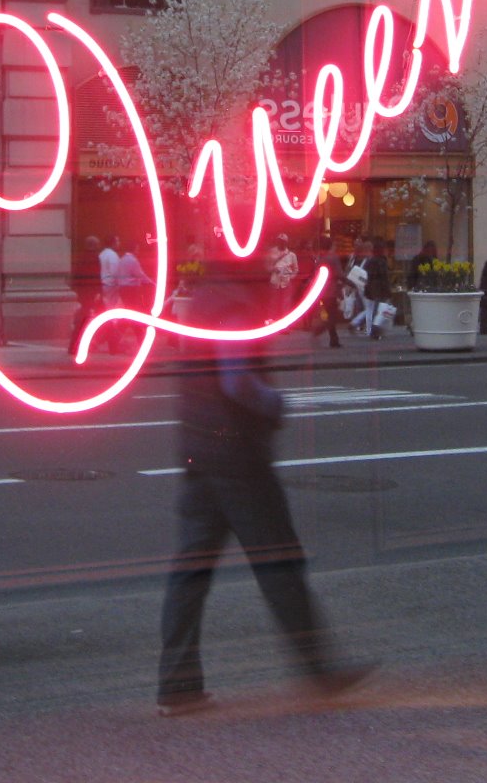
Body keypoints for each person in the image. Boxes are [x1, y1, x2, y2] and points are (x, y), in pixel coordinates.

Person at [156, 258, 373, 715]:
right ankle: (321, 670)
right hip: (238, 458)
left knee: (190, 572)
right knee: (280, 564)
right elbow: (236, 381)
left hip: (199, 448)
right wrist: (275, 404)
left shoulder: (203, 298)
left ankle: (177, 684)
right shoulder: (236, 306)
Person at [69, 236, 104, 359]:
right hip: (90, 293)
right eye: (97, 244)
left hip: (83, 293)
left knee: (83, 319)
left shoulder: (81, 257)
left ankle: (76, 345)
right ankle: (78, 345)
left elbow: (76, 275)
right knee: (85, 319)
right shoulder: (94, 258)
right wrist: (99, 292)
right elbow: (96, 276)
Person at [363, 241, 392, 340]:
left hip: (373, 287)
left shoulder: (370, 261)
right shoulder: (381, 261)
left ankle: (374, 330)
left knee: (376, 309)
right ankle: (376, 330)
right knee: (380, 310)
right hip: (381, 287)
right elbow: (384, 276)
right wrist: (388, 289)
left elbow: (367, 274)